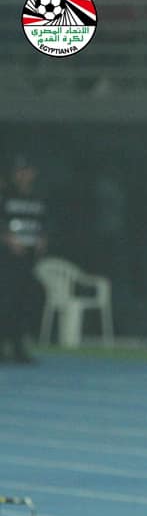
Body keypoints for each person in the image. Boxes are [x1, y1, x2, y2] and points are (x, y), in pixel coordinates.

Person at [0, 155, 48, 363]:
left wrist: (42, 240)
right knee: (5, 301)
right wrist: (7, 239)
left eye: (26, 171)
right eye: (19, 171)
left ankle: (19, 345)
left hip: (28, 259)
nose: (22, 175)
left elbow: (43, 223)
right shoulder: (5, 196)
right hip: (6, 259)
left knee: (24, 301)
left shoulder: (37, 198)